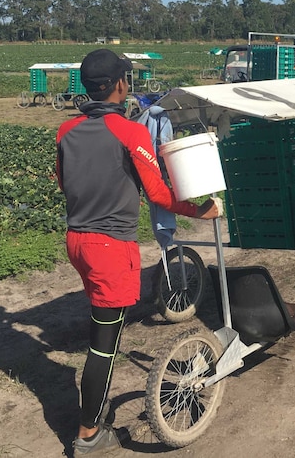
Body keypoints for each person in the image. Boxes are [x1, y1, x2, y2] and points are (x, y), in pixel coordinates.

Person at [56, 48, 222, 455]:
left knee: (101, 328)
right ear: (119, 85)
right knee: (104, 345)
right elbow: (160, 194)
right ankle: (89, 436)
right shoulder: (130, 132)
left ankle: (95, 414)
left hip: (77, 238)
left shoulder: (66, 130)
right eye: (126, 79)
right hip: (109, 245)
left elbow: (64, 183)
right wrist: (201, 209)